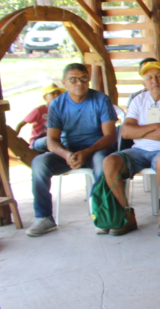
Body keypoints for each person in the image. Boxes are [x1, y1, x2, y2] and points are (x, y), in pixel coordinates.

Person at [26, 65, 118, 237]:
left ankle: (101, 214)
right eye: (73, 80)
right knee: (39, 163)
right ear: (64, 83)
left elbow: (110, 136)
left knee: (102, 163)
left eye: (83, 79)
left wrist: (87, 152)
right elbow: (52, 140)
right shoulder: (57, 104)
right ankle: (43, 217)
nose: (79, 83)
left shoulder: (101, 100)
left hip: (97, 149)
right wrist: (66, 154)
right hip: (69, 151)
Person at [102, 61, 160, 237]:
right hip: (139, 152)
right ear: (143, 82)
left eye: (158, 76)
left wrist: (140, 131)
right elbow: (126, 132)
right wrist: (155, 126)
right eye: (149, 77)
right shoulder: (138, 100)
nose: (154, 81)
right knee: (110, 161)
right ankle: (126, 215)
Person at [6, 84, 63, 166]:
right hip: (38, 140)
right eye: (53, 93)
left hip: (53, 139)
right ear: (45, 97)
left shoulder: (61, 111)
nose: (56, 95)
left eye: (58, 93)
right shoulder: (38, 110)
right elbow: (21, 124)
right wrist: (15, 139)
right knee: (49, 140)